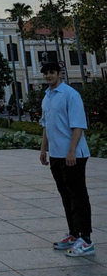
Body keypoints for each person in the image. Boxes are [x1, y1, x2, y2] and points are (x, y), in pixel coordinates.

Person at [39, 61, 94, 257]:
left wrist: (71, 151)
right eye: (46, 73)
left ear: (60, 74)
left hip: (73, 155)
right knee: (66, 195)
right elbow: (46, 125)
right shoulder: (47, 97)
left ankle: (86, 239)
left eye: (52, 72)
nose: (48, 76)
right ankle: (73, 234)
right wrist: (43, 149)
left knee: (78, 196)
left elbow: (78, 125)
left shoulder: (71, 95)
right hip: (56, 154)